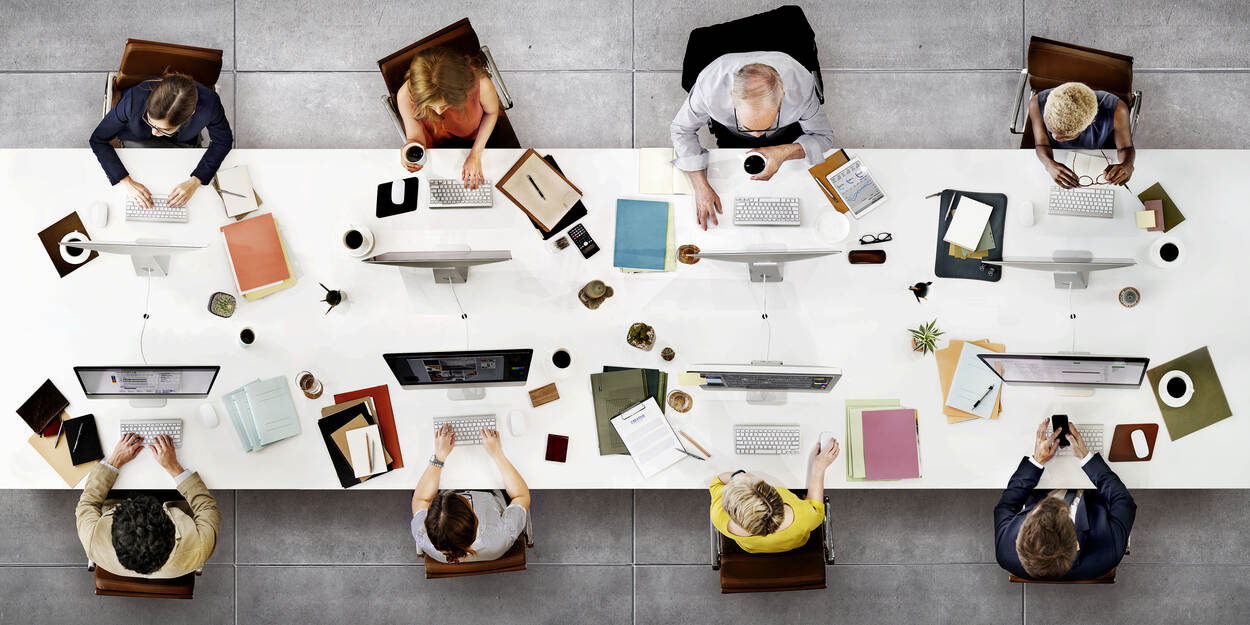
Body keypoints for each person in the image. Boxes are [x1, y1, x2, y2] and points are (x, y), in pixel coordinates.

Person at [670, 51, 834, 230]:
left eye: (767, 124)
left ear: (784, 96)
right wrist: (700, 186)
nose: (757, 138)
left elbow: (824, 137)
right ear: (732, 97)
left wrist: (785, 152)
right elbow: (681, 129)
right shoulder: (709, 89)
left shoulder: (800, 88)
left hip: (784, 133)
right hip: (730, 133)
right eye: (749, 127)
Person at [994, 418, 1136, 581]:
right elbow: (1124, 501)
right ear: (1075, 542)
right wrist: (1086, 458)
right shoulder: (1109, 551)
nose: (1050, 503)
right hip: (1093, 491)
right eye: (1061, 513)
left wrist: (1037, 461)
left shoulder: (1005, 550)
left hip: (1045, 479)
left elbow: (1006, 506)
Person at [75, 433, 221, 578]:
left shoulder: (92, 541)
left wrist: (115, 461)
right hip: (173, 500)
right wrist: (173, 466)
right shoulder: (200, 548)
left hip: (120, 497)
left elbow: (88, 502)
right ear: (172, 530)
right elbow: (206, 507)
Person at [88, 72, 234, 209]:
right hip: (137, 137)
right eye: (151, 122)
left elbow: (223, 141)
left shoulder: (210, 103)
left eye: (164, 130)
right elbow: (98, 139)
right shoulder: (133, 100)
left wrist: (195, 181)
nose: (155, 132)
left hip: (182, 142)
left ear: (191, 114)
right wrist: (126, 181)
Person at [410, 425, 530, 563]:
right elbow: (521, 496)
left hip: (449, 481)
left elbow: (421, 499)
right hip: (489, 490)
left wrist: (439, 457)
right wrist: (497, 453)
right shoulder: (499, 537)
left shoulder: (423, 536)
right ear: (475, 520)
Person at [396, 46, 502, 189]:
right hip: (435, 143)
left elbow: (491, 113)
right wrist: (409, 150)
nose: (439, 113)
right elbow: (415, 137)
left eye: (445, 106)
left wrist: (476, 153)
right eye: (431, 107)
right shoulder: (405, 95)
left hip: (474, 135)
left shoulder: (481, 84)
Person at [709, 438, 839, 553]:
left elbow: (717, 482)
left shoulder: (720, 517)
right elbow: (817, 509)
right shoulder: (805, 516)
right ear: (775, 495)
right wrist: (818, 468)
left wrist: (736, 476)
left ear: (730, 509)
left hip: (752, 548)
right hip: (793, 544)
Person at [1027, 81, 1134, 189]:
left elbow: (1126, 147)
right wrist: (1048, 164)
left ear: (1091, 122)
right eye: (1050, 130)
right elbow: (1041, 145)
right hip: (1058, 156)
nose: (1055, 137)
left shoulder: (1118, 110)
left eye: (1065, 136)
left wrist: (1128, 164)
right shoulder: (1035, 104)